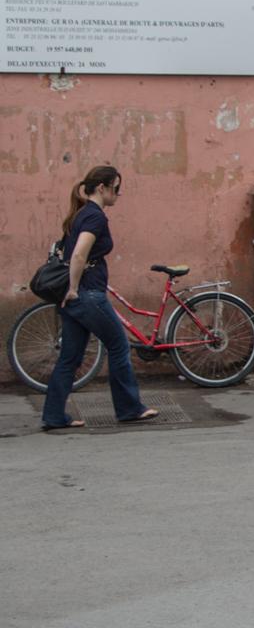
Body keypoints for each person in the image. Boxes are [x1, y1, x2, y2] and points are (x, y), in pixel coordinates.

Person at [42, 166, 158, 430]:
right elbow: (80, 254)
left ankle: (53, 416)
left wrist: (70, 293)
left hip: (77, 296)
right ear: (102, 188)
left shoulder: (80, 213)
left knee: (69, 357)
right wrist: (72, 288)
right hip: (88, 294)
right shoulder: (95, 217)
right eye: (116, 187)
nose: (119, 193)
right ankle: (129, 409)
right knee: (118, 347)